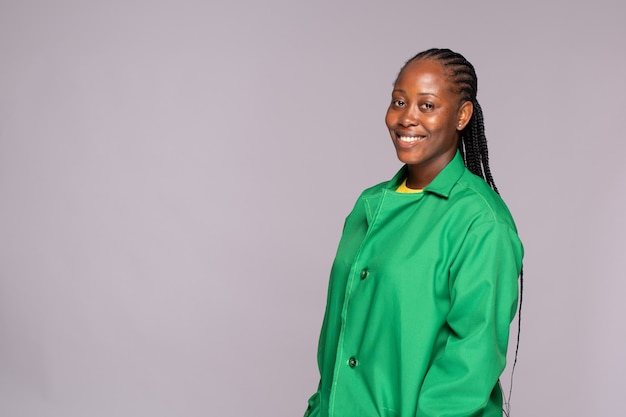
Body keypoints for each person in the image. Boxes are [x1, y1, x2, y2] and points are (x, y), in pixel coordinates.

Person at [304, 48, 524, 417]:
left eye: (427, 106)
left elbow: (472, 359)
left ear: (462, 115)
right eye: (399, 102)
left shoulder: (481, 221)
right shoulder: (369, 204)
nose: (406, 118)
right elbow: (339, 335)